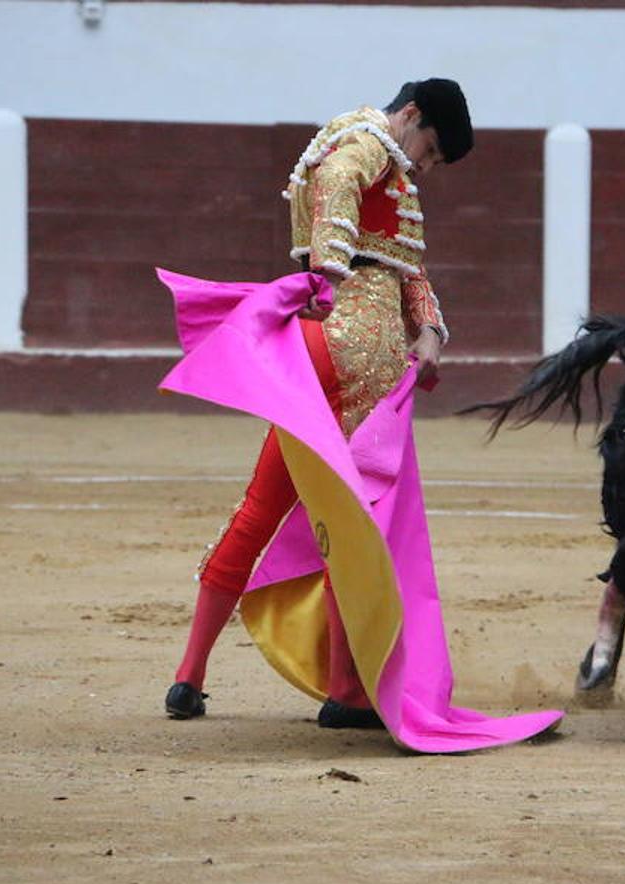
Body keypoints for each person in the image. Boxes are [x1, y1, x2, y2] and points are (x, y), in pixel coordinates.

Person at [164, 78, 474, 728]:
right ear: (411, 115)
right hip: (352, 361)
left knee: (262, 511)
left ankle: (188, 678)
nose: (425, 164)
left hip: (334, 355)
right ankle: (345, 693)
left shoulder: (390, 168)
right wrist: (329, 272)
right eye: (431, 149)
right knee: (353, 524)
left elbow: (404, 268)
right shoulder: (363, 142)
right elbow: (337, 186)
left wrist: (429, 332)